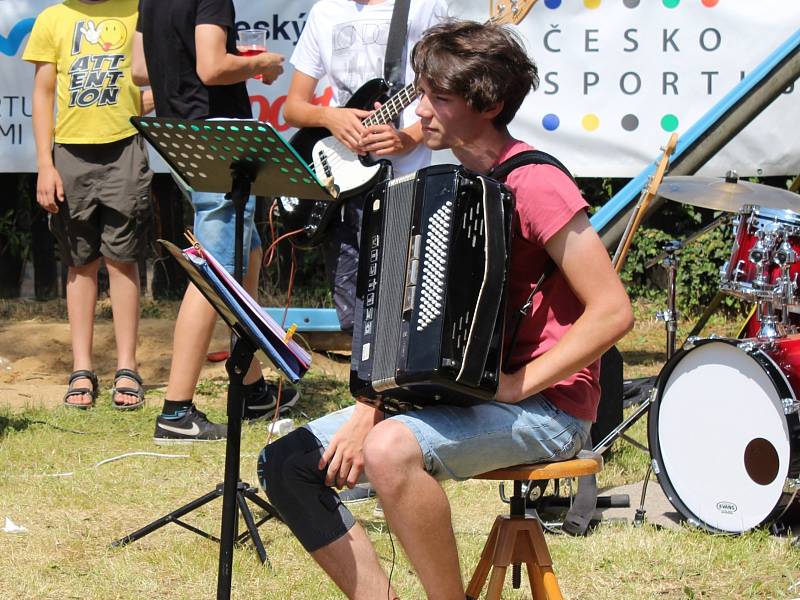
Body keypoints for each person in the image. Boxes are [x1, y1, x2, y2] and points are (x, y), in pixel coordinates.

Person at [258, 19, 634, 599]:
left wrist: (516, 383)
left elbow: (613, 312)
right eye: (423, 92)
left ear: (490, 105)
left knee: (387, 451)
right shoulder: (450, 185)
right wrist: (370, 404)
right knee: (287, 464)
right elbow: (406, 328)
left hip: (548, 407)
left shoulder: (536, 183)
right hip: (460, 395)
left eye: (439, 97)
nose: (420, 111)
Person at [283, 0, 447, 503]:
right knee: (356, 311)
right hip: (347, 185)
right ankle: (364, 440)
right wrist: (329, 116)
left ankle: (396, 444)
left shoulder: (424, 7)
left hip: (408, 182)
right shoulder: (326, 11)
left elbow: (447, 88)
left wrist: (409, 136)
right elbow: (294, 107)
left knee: (404, 308)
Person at [132, 0, 296, 443]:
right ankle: (176, 410)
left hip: (182, 131)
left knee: (250, 252)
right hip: (217, 134)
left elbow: (139, 69)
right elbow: (210, 69)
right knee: (214, 271)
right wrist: (259, 63)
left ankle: (251, 386)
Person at [24, 0, 155, 410]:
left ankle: (127, 368)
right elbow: (43, 94)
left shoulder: (138, 11)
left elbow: (157, 79)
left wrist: (138, 105)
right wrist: (45, 165)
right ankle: (81, 368)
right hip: (69, 156)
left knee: (123, 258)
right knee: (79, 262)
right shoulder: (53, 18)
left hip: (125, 151)